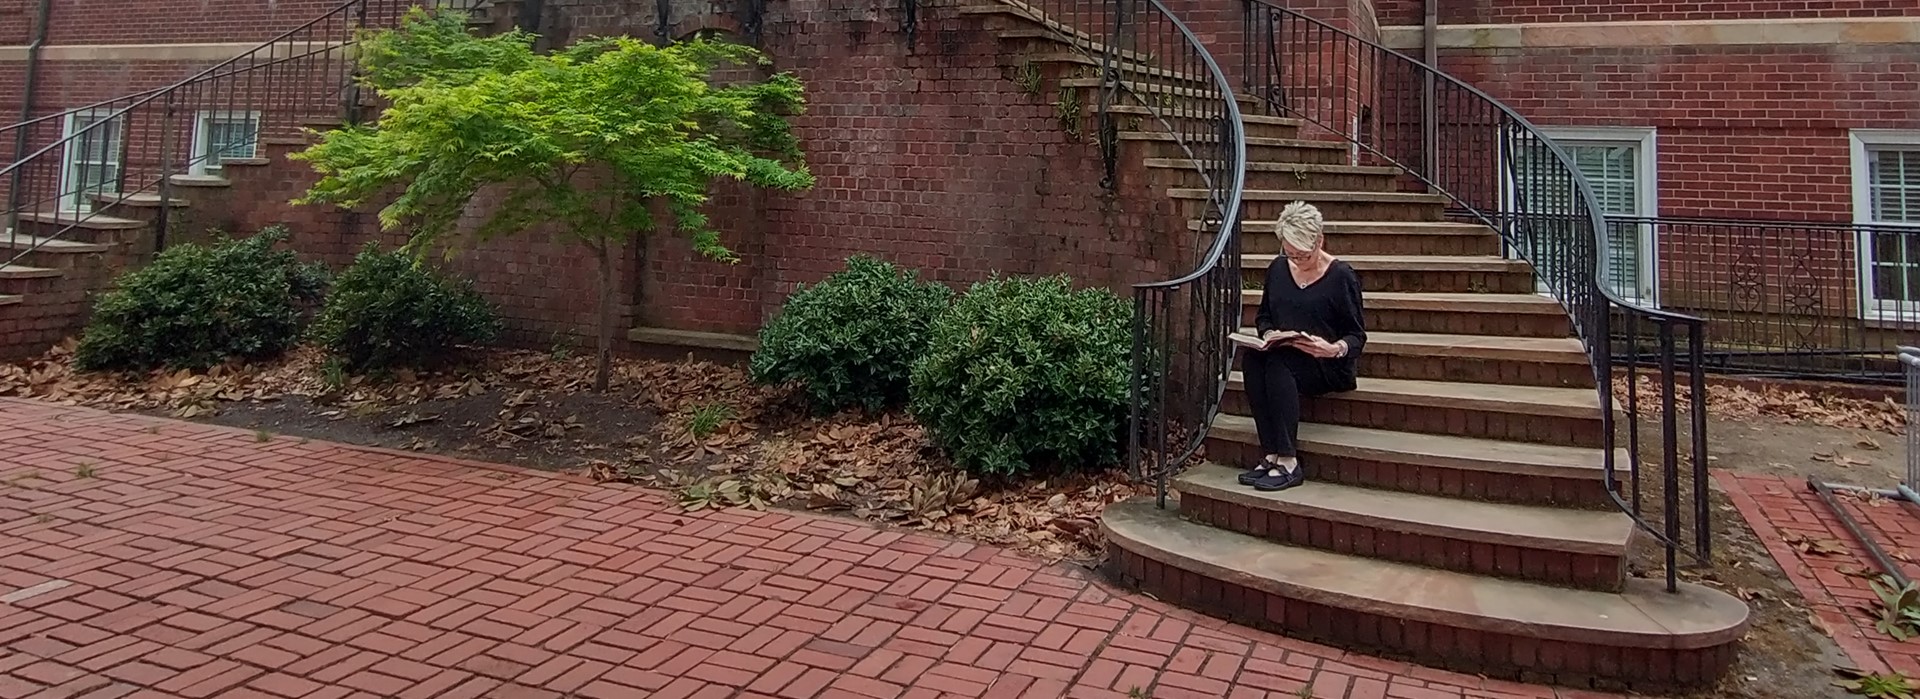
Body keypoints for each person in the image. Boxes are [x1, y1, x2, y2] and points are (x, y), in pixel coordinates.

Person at [1238, 201, 1366, 492]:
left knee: (1280, 364)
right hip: (1284, 352)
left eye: (1303, 255)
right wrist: (1269, 333)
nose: (1296, 260)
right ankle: (1270, 453)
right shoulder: (1278, 269)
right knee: (1254, 361)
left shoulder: (1341, 277)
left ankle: (1289, 461)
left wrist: (1334, 348)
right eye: (1290, 254)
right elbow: (1264, 315)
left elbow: (1357, 335)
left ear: (1320, 241)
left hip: (1327, 363)